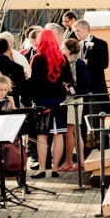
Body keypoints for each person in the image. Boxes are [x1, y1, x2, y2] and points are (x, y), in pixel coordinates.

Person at [28, 29, 74, 178]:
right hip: (59, 99)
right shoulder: (62, 57)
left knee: (42, 135)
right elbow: (68, 78)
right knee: (58, 134)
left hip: (42, 100)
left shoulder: (37, 58)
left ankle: (42, 169)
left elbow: (33, 82)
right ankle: (55, 168)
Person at [59, 38, 89, 172]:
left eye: (63, 48)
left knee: (69, 131)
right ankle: (80, 161)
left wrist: (70, 90)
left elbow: (85, 83)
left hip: (75, 100)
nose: (61, 50)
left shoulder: (78, 63)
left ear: (70, 50)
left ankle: (68, 161)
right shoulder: (69, 62)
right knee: (75, 131)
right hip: (72, 99)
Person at [74, 20, 110, 115]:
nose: (76, 33)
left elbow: (104, 64)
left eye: (78, 30)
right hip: (83, 88)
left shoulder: (101, 44)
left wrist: (88, 62)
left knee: (97, 115)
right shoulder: (78, 46)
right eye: (75, 31)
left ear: (86, 29)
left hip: (96, 86)